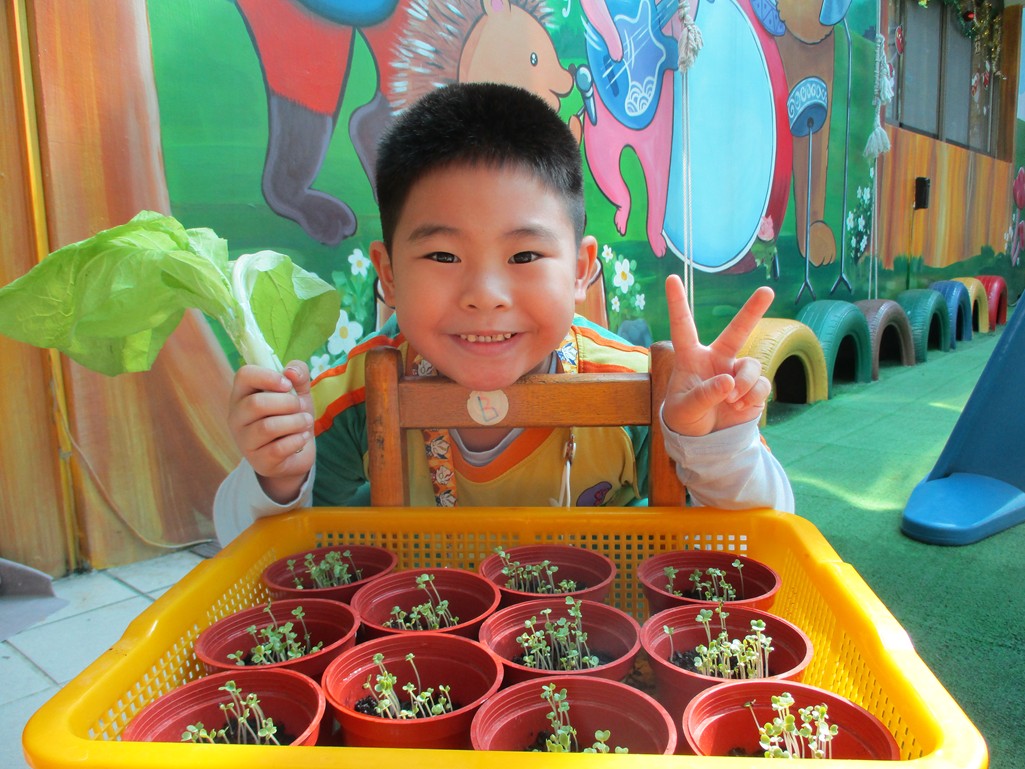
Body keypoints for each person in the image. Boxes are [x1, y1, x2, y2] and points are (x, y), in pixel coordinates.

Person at [214, 82, 793, 544]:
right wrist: (276, 477)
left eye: (524, 255)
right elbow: (260, 554)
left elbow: (759, 538)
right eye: (443, 255)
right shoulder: (346, 400)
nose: (485, 295)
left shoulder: (647, 394)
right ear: (388, 274)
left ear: (579, 270)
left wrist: (715, 445)